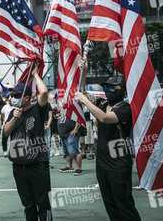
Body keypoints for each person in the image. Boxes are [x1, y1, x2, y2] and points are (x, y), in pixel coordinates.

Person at [75, 61, 141, 221]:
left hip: (119, 164)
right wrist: (84, 71)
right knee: (110, 205)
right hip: (102, 163)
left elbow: (104, 117)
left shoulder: (125, 108)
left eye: (113, 88)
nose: (108, 90)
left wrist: (84, 101)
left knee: (124, 205)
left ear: (124, 92)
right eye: (107, 87)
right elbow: (84, 92)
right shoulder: (104, 103)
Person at [3, 62, 52, 221]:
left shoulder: (38, 109)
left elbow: (44, 92)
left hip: (37, 164)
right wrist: (14, 119)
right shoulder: (12, 113)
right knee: (28, 204)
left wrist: (36, 75)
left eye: (17, 95)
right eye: (12, 95)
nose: (13, 98)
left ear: (26, 97)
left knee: (43, 204)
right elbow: (5, 133)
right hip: (19, 166)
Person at [56, 103, 84, 176]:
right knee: (67, 152)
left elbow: (79, 118)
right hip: (63, 134)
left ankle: (79, 168)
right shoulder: (63, 110)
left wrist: (75, 129)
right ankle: (69, 166)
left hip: (71, 133)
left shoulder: (74, 108)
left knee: (74, 151)